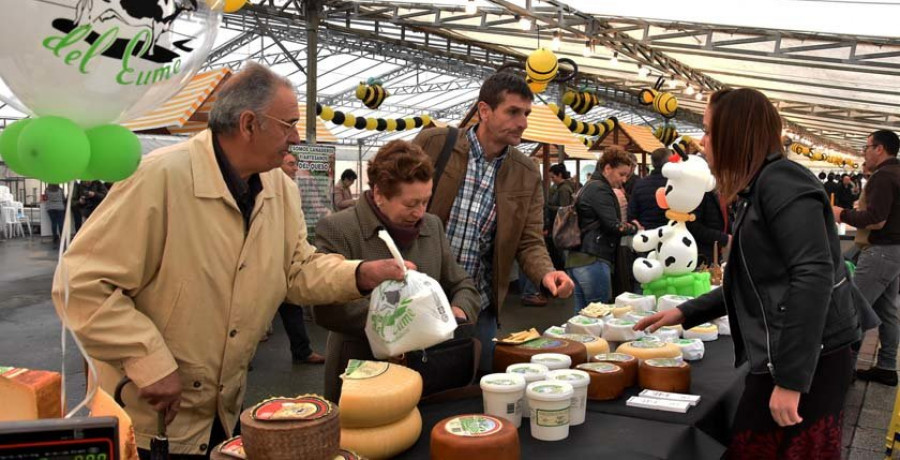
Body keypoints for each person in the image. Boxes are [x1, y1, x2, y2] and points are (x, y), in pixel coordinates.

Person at [51, 62, 407, 458]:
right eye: (287, 124)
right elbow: (81, 284)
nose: (294, 138)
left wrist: (359, 274)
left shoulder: (279, 189)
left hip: (224, 408)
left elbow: (297, 268)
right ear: (249, 124)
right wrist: (147, 360)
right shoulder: (159, 178)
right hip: (152, 417)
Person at [636, 88, 859, 459]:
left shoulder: (782, 182)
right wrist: (686, 312)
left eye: (708, 130)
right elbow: (753, 280)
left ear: (734, 133)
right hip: (789, 353)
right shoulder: (759, 186)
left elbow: (813, 275)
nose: (702, 141)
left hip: (806, 358)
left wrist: (791, 380)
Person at [412, 72, 574, 372]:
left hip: (478, 305)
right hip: (418, 299)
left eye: (526, 113)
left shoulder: (526, 171)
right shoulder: (434, 143)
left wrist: (547, 273)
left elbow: (529, 240)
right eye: (513, 111)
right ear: (484, 111)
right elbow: (395, 196)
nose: (523, 122)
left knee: (472, 390)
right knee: (411, 389)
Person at [313, 140, 480, 400]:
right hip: (361, 373)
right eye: (411, 204)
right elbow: (327, 309)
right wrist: (408, 323)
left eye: (426, 201)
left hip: (427, 371)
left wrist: (458, 311)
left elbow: (462, 283)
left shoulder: (433, 226)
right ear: (379, 193)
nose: (420, 212)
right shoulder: (339, 229)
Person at [834, 129, 900, 386]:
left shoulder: (883, 176)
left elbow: (876, 220)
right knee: (887, 310)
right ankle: (886, 366)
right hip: (894, 250)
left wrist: (841, 214)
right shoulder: (896, 173)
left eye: (867, 147)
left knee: (852, 310)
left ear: (880, 149)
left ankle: (842, 371)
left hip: (881, 251)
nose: (864, 152)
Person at [566, 148, 639, 311]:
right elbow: (614, 225)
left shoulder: (589, 186)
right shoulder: (600, 189)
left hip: (579, 259)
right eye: (621, 174)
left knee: (582, 316)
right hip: (593, 258)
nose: (624, 180)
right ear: (607, 168)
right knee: (599, 313)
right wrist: (634, 228)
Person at [272, 152, 325, 364]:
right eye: (291, 164)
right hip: (266, 265)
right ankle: (239, 358)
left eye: (296, 164)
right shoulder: (264, 187)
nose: (295, 168)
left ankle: (302, 351)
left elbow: (297, 231)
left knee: (291, 307)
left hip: (286, 264)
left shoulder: (292, 189)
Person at [627, 148, 669, 231]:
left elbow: (631, 214)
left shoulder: (639, 184)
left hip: (646, 233)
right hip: (671, 232)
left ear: (652, 163)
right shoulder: (674, 184)